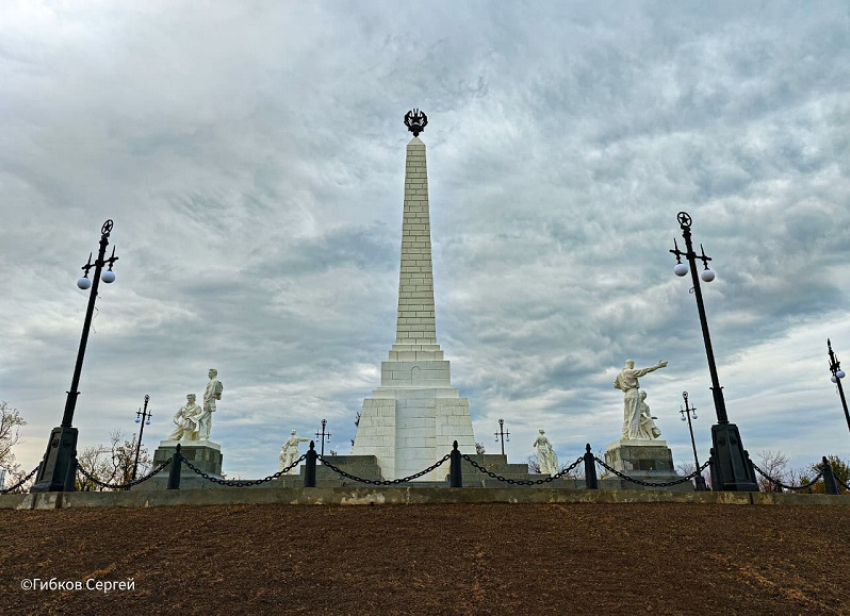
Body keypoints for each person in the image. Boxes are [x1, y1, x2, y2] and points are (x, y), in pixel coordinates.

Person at [613, 359, 668, 440]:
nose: (633, 366)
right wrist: (657, 366)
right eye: (633, 364)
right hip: (633, 392)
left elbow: (615, 385)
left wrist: (623, 385)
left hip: (626, 394)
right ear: (631, 364)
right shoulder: (629, 372)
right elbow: (644, 371)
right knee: (633, 415)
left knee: (627, 416)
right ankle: (633, 436)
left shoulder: (620, 374)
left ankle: (625, 435)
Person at [198, 368, 223, 441]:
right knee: (208, 419)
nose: (208, 375)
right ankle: (206, 436)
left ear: (212, 373)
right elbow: (219, 396)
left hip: (208, 402)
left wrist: (207, 401)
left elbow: (210, 393)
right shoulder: (217, 382)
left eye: (209, 373)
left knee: (202, 419)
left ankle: (203, 436)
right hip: (211, 402)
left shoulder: (213, 382)